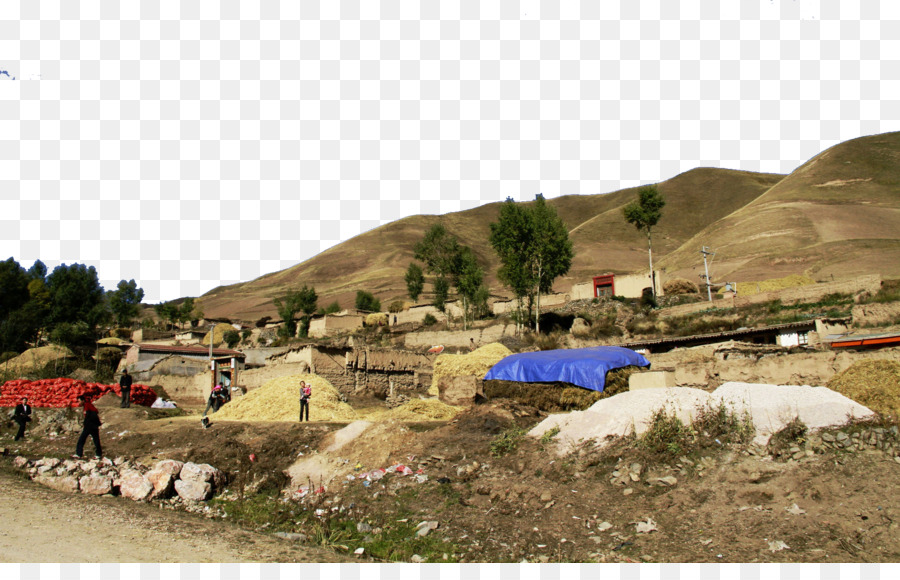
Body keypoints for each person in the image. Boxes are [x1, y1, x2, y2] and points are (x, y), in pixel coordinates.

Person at [74, 394, 102, 459]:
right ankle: (98, 454)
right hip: (92, 426)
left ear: (83, 400)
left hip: (90, 427)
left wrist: (89, 423)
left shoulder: (88, 406)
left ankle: (79, 454)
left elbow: (94, 414)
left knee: (81, 440)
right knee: (96, 440)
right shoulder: (86, 406)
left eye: (79, 401)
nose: (79, 403)